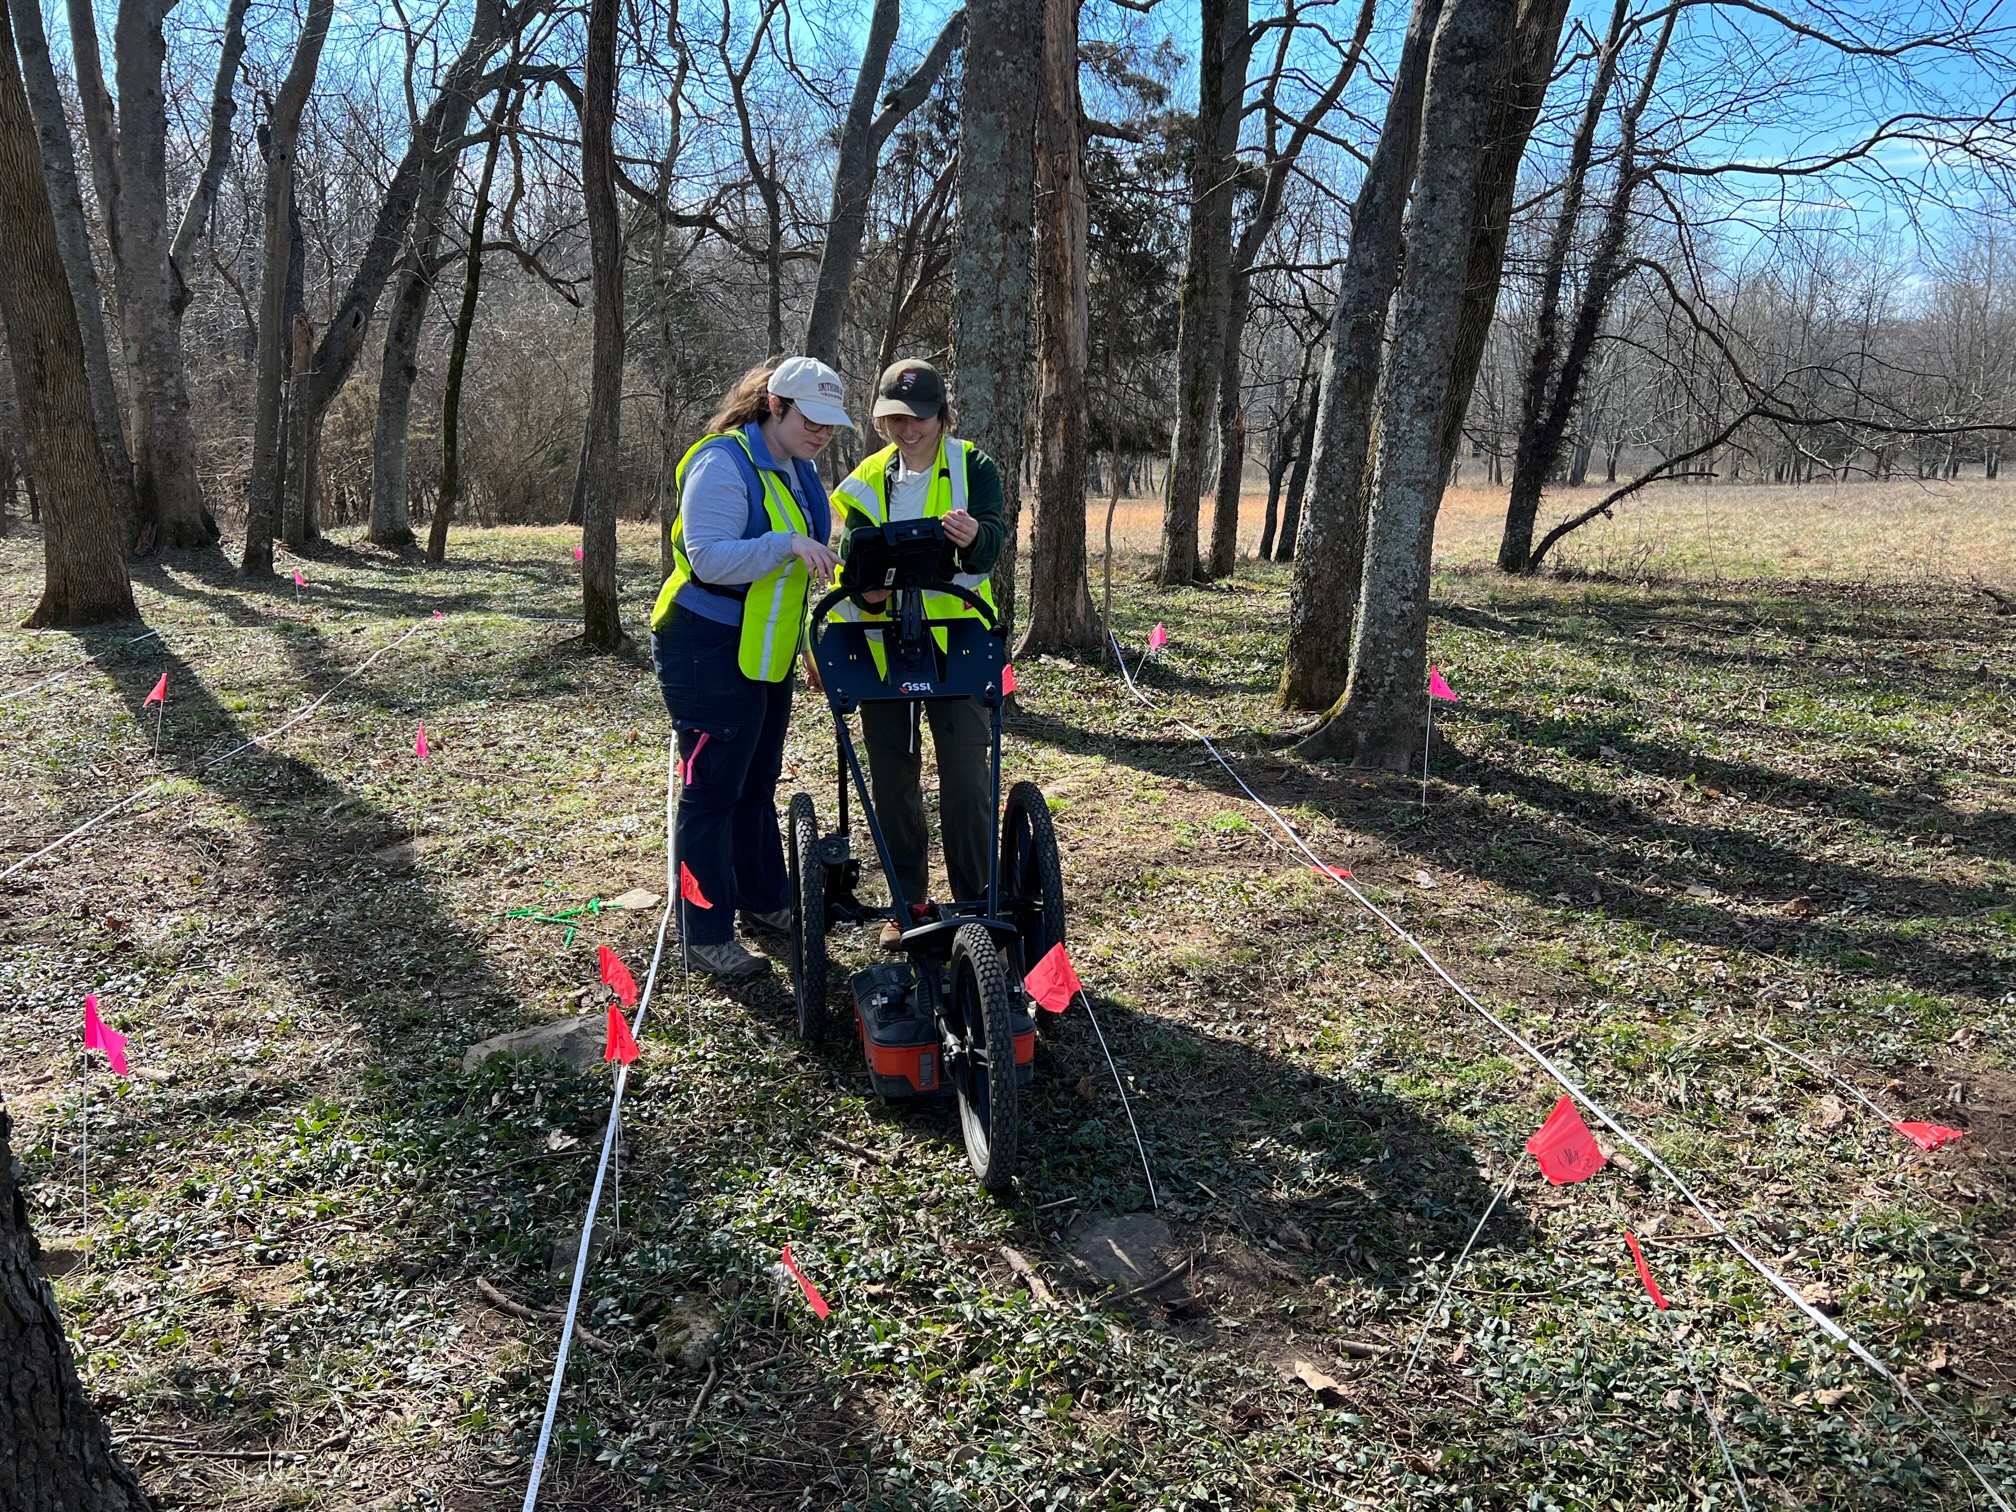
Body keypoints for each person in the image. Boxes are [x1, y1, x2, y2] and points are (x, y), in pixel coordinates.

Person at [651, 357, 847, 976]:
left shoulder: (803, 472)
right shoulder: (722, 461)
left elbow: (797, 580)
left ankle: (765, 902)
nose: (821, 432)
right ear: (774, 405)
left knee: (756, 784)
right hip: (705, 647)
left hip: (765, 650)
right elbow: (708, 559)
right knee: (711, 793)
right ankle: (703, 931)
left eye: (830, 423)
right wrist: (784, 544)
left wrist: (807, 648)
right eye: (811, 419)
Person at [832, 360, 1007, 949]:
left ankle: (976, 899)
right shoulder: (866, 477)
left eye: (918, 418)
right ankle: (908, 901)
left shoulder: (972, 466)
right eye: (893, 419)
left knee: (965, 778)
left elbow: (992, 545)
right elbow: (850, 552)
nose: (906, 430)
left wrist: (973, 538)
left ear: (940, 415)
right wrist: (866, 586)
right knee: (892, 779)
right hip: (883, 643)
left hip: (957, 639)